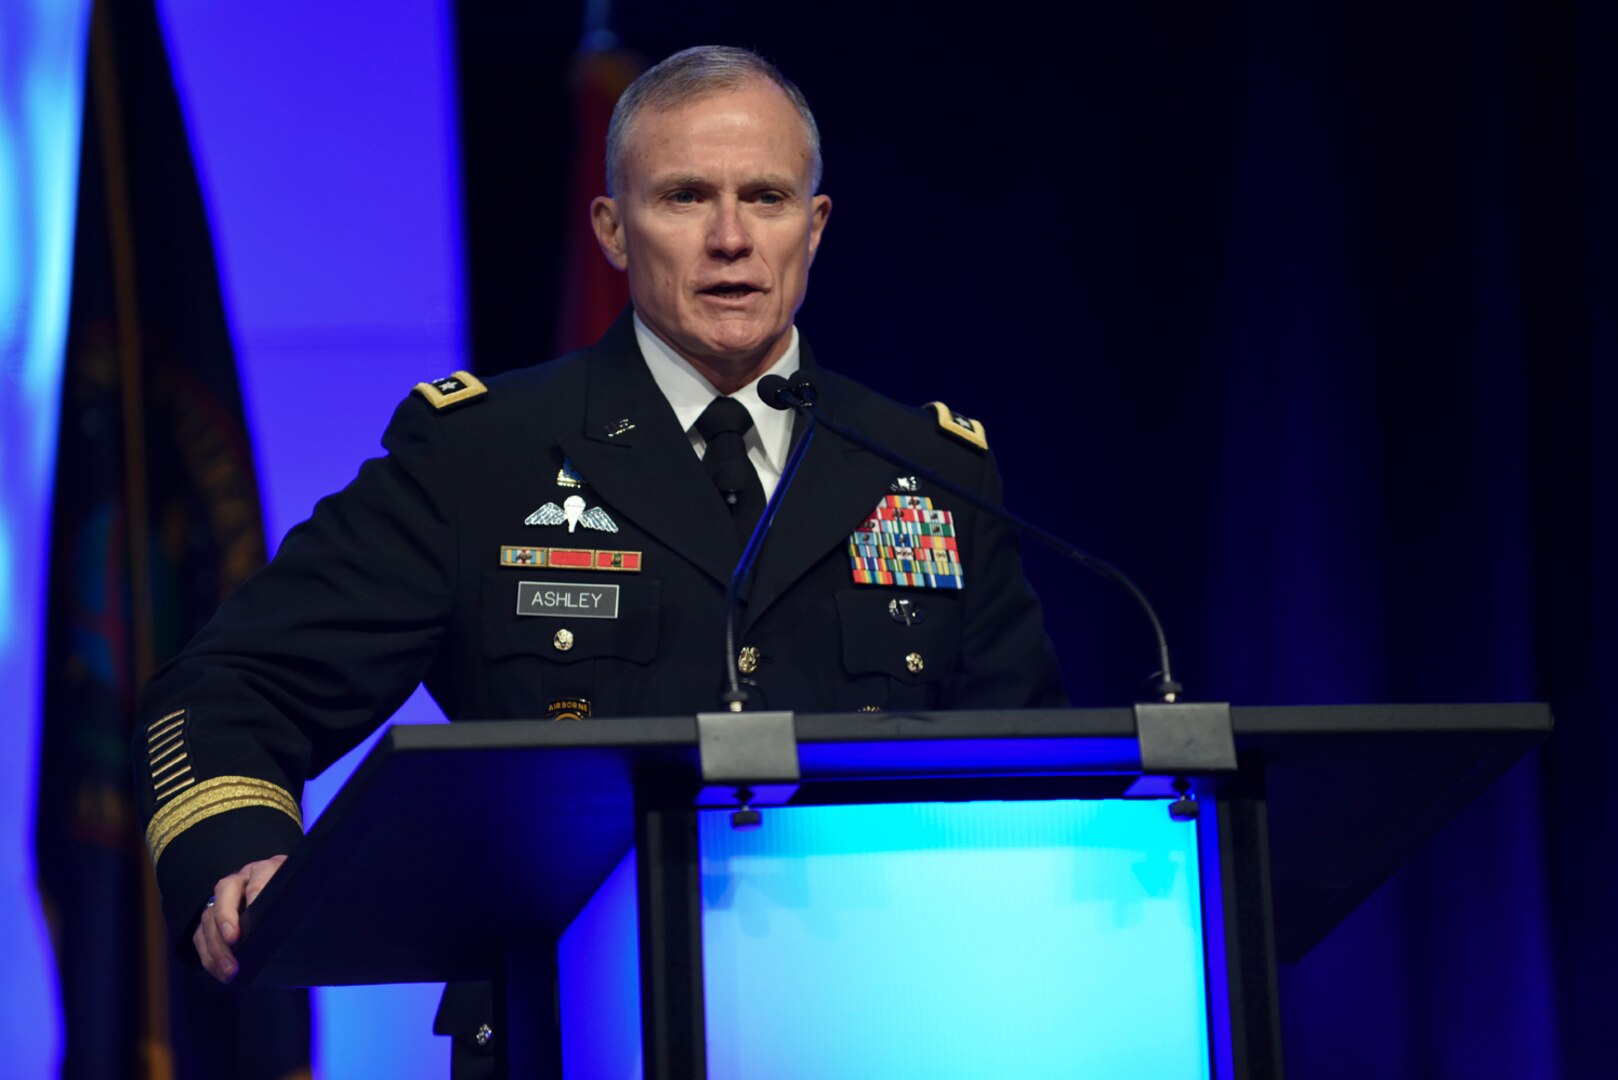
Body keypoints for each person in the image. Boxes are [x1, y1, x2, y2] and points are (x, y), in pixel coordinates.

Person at [134, 44, 1064, 1071]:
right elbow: (231, 685)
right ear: (613, 231)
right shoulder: (482, 456)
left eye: (764, 197)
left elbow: (1031, 770)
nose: (728, 239)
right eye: (683, 197)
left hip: (878, 1023)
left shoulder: (927, 469)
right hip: (568, 1023)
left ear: (815, 224)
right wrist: (241, 854)